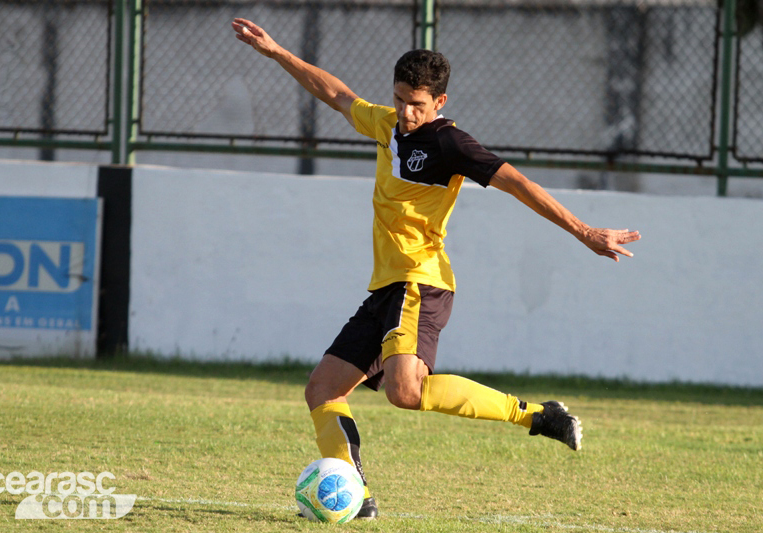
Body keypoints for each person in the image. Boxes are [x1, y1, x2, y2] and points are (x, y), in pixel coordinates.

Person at [232, 18, 640, 520]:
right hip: (388, 288)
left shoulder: (450, 144)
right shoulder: (386, 124)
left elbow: (518, 183)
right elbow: (337, 94)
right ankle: (356, 497)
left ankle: (538, 416)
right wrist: (276, 52)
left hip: (420, 281)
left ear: (439, 102)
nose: (406, 113)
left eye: (417, 104)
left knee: (405, 391)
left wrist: (585, 232)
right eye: (400, 99)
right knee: (322, 389)